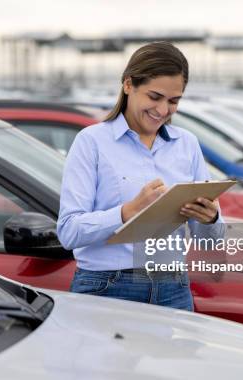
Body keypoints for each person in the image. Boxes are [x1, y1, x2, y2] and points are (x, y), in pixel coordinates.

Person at [57, 41, 225, 311]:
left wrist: (211, 218)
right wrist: (129, 211)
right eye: (154, 97)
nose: (162, 110)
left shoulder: (187, 144)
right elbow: (68, 232)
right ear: (128, 85)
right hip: (107, 287)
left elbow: (209, 240)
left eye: (173, 101)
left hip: (172, 287)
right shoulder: (91, 142)